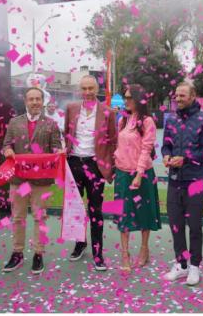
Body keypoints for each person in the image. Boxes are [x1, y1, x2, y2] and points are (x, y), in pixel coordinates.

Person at [1, 87, 62, 274]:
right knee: (18, 217)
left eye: (38, 99)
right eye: (31, 99)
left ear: (42, 101)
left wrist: (59, 152)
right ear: (26, 101)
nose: (35, 102)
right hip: (19, 180)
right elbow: (6, 145)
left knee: (40, 218)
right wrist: (9, 151)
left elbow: (56, 148)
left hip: (41, 181)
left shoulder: (51, 124)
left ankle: (38, 254)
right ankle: (17, 253)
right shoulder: (14, 122)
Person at [161, 81, 203, 286]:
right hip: (175, 179)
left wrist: (186, 158)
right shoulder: (171, 119)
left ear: (193, 96)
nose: (178, 99)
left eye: (183, 95)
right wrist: (166, 157)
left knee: (194, 225)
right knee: (176, 225)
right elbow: (166, 146)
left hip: (197, 180)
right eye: (177, 95)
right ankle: (181, 265)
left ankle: (194, 267)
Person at [64, 75, 117, 271]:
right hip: (74, 163)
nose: (87, 92)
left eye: (91, 88)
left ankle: (97, 252)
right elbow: (67, 135)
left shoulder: (108, 112)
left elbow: (113, 141)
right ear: (80, 89)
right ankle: (80, 243)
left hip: (95, 166)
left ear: (97, 89)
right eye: (84, 88)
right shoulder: (71, 108)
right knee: (76, 209)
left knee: (96, 210)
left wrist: (110, 166)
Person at [113, 84, 162, 273]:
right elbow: (120, 145)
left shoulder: (147, 121)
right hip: (122, 175)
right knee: (122, 214)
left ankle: (144, 249)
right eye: (125, 98)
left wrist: (140, 174)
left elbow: (146, 148)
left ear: (139, 100)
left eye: (129, 98)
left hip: (142, 175)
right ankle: (125, 254)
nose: (126, 101)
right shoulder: (122, 121)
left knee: (144, 213)